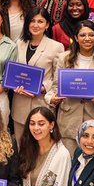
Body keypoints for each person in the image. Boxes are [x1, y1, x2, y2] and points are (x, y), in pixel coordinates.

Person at [46, 20, 94, 153]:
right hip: (68, 121)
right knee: (69, 164)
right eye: (83, 35)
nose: (87, 39)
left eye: (91, 35)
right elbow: (55, 88)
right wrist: (52, 99)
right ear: (76, 38)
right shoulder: (63, 58)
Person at [13, 9, 65, 143]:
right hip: (19, 105)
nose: (36, 25)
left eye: (40, 21)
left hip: (41, 105)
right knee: (20, 148)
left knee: (40, 149)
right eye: (32, 21)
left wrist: (42, 87)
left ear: (47, 25)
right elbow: (13, 71)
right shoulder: (19, 43)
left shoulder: (56, 47)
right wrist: (13, 84)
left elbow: (58, 79)